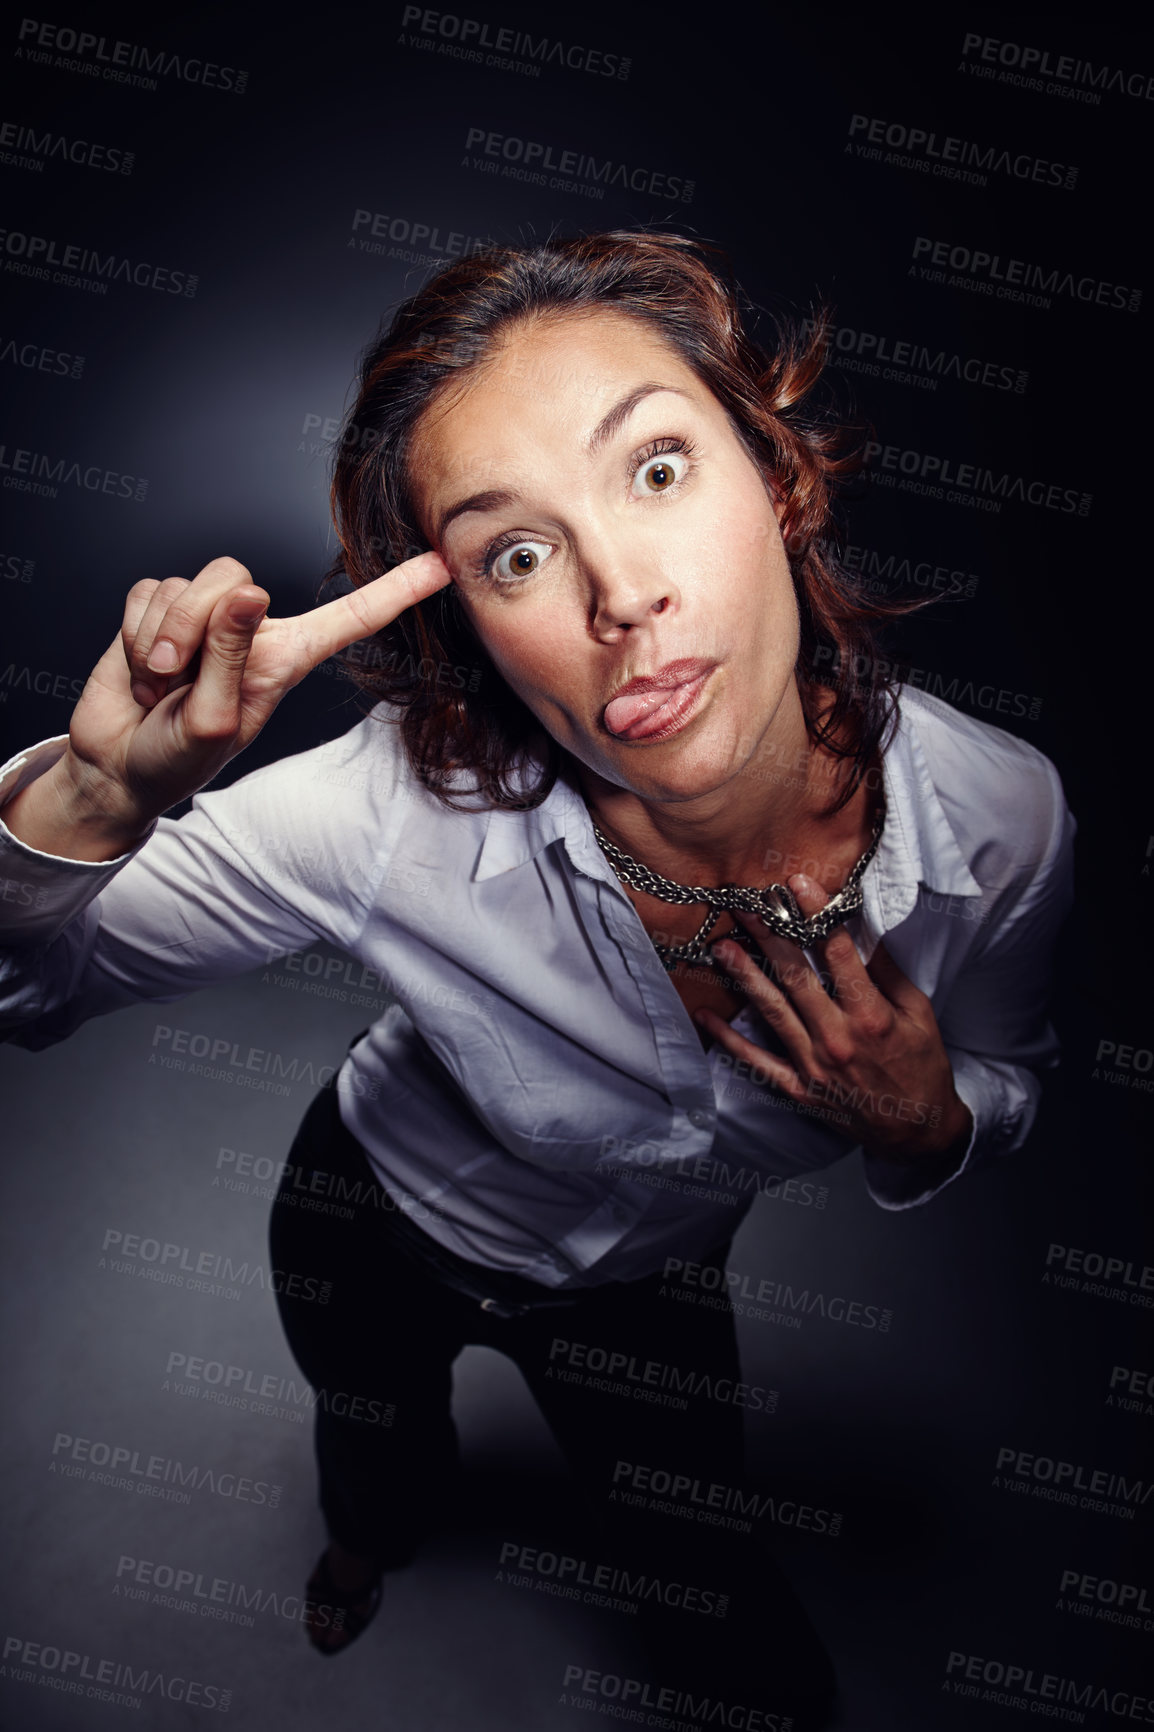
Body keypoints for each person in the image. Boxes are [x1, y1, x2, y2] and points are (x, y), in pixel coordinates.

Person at [0, 231, 1074, 1719]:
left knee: (700, 1558)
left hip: (648, 1287)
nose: (618, 595)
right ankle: (365, 1545)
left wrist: (933, 1122)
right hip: (372, 1219)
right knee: (372, 1448)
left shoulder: (1001, 822)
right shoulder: (386, 810)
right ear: (476, 628)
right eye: (517, 551)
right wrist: (100, 803)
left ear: (780, 483)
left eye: (653, 471)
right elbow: (34, 992)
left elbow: (1007, 1074)